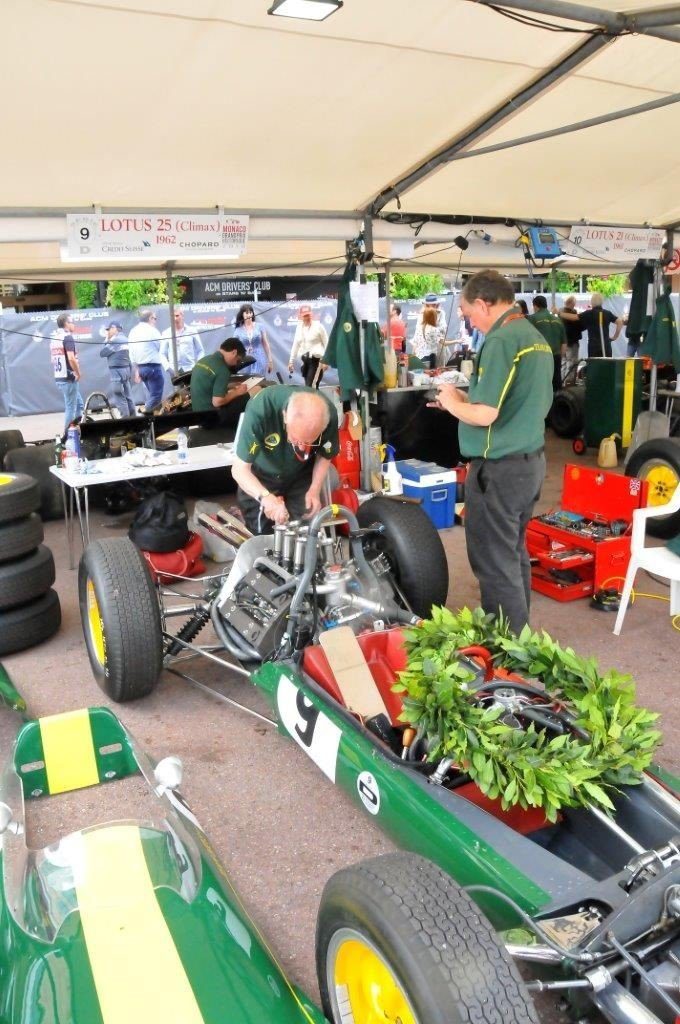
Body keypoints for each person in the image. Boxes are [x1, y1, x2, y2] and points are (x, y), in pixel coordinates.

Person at [429, 269, 553, 634]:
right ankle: (521, 638)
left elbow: (485, 415)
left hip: (500, 470)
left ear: (483, 304)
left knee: (494, 562)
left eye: (468, 314)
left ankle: (507, 646)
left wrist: (453, 403)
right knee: (512, 554)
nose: (470, 322)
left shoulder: (500, 340)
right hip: (528, 464)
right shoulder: (534, 337)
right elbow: (508, 400)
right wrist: (460, 399)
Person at [231, 386, 338, 535]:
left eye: (309, 442)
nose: (301, 447)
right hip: (261, 473)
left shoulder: (327, 413)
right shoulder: (261, 410)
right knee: (261, 532)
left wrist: (314, 489)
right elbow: (239, 469)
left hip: (301, 471)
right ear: (285, 416)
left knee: (306, 526)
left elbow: (325, 455)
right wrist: (265, 497)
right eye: (296, 439)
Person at [190, 338, 250, 426]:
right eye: (237, 360)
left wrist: (228, 386)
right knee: (246, 396)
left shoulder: (203, 360)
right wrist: (237, 392)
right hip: (211, 419)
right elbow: (217, 402)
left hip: (197, 415)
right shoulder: (223, 369)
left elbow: (208, 385)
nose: (235, 364)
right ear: (234, 352)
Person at [51, 312, 84, 432]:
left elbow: (52, 360)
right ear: (66, 324)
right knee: (71, 408)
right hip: (69, 379)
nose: (74, 324)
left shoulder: (55, 338)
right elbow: (71, 358)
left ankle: (77, 430)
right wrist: (78, 373)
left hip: (60, 378)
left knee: (79, 405)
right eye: (72, 322)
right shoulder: (67, 337)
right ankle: (68, 435)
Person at [564, 293, 623, 358]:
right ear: (602, 302)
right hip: (606, 345)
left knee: (594, 363)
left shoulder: (588, 313)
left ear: (592, 302)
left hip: (594, 347)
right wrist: (615, 337)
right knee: (607, 363)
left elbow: (573, 317)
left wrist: (560, 313)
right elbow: (620, 322)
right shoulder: (608, 313)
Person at [128, 310, 166, 412]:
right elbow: (161, 347)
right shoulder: (152, 330)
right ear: (150, 318)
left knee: (153, 396)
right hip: (153, 367)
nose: (155, 321)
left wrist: (137, 370)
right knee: (156, 396)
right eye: (155, 318)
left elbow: (131, 354)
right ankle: (144, 412)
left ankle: (153, 418)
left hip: (141, 368)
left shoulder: (133, 331)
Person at [528, 295, 567, 392]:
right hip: (556, 356)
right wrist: (560, 356)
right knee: (556, 382)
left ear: (535, 306)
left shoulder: (532, 318)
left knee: (542, 384)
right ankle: (557, 400)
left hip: (541, 355)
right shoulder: (558, 320)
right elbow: (564, 343)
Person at [100, 321, 136, 418]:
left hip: (117, 371)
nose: (108, 332)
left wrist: (107, 339)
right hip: (126, 369)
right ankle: (133, 417)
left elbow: (102, 353)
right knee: (128, 395)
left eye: (109, 329)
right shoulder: (125, 339)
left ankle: (125, 418)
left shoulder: (116, 340)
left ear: (114, 328)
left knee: (118, 394)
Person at [288, 304, 329, 387]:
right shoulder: (299, 328)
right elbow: (296, 345)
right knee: (309, 386)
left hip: (317, 360)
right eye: (305, 315)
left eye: (308, 315)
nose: (307, 317)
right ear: (300, 316)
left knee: (311, 385)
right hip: (305, 360)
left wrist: (326, 361)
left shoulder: (319, 326)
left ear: (311, 314)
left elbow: (327, 343)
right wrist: (291, 361)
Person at [234, 304, 273, 377]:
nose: (249, 315)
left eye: (250, 312)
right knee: (247, 381)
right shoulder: (238, 330)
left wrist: (270, 360)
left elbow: (265, 344)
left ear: (252, 314)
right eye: (246, 313)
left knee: (258, 380)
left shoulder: (260, 326)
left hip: (259, 358)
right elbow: (235, 347)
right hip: (245, 360)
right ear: (242, 314)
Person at [412, 293, 445, 366]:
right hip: (424, 349)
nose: (433, 306)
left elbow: (443, 329)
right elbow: (417, 331)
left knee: (437, 368)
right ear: (426, 305)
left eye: (434, 304)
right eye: (430, 305)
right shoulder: (421, 314)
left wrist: (433, 328)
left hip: (437, 347)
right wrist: (414, 349)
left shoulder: (441, 313)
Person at [553, 295, 582, 378]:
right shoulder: (572, 314)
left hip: (561, 343)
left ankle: (562, 381)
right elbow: (578, 326)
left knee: (563, 363)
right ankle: (569, 382)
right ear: (572, 303)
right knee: (572, 363)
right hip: (572, 342)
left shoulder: (560, 312)